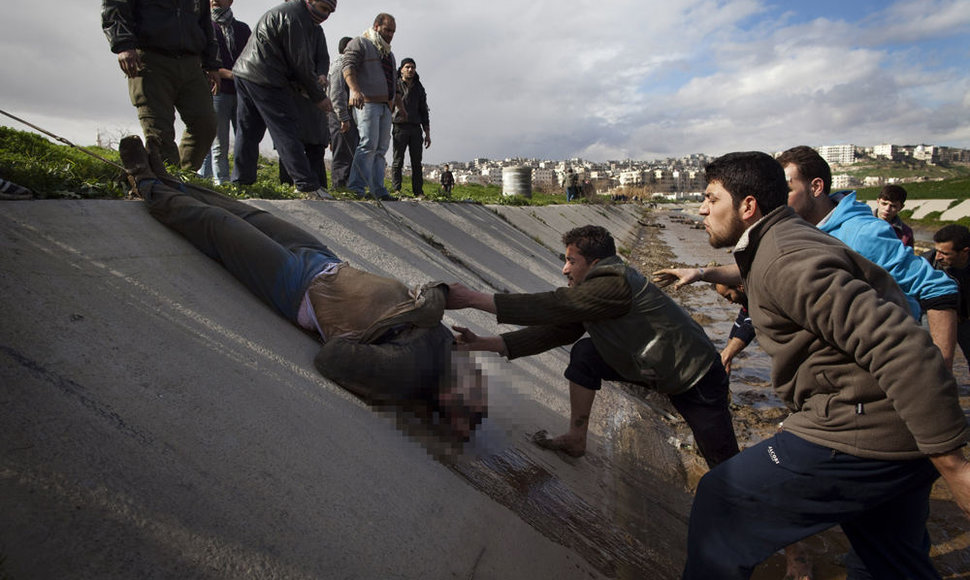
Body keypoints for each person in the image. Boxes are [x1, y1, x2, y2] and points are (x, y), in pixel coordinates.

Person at [679, 151, 970, 580]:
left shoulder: (785, 258)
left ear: (747, 206)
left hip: (864, 429)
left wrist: (955, 467)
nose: (701, 209)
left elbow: (901, 347)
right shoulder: (780, 245)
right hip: (894, 432)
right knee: (891, 564)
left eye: (710, 198)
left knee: (723, 499)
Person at [118, 134, 485, 440]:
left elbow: (333, 358)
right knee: (250, 213)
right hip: (327, 261)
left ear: (447, 404)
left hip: (298, 285)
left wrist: (417, 313)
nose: (470, 385)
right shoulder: (445, 349)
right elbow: (440, 290)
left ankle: (147, 184)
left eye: (464, 405)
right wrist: (429, 306)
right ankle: (171, 182)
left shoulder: (404, 375)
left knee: (218, 225)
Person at [446, 225, 739, 468]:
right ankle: (576, 438)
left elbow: (553, 305)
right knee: (586, 355)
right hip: (660, 368)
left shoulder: (613, 283)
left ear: (595, 263)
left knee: (724, 464)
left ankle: (759, 525)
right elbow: (553, 332)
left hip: (696, 376)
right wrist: (482, 343)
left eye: (571, 261)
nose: (564, 269)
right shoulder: (597, 291)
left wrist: (472, 298)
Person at [654, 145, 959, 369]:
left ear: (816, 187)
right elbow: (763, 269)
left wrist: (942, 368)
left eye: (785, 189)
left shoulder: (861, 232)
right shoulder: (798, 231)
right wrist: (702, 273)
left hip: (893, 361)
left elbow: (938, 288)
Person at [230, 0, 335, 200]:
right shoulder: (295, 17)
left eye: (330, 11)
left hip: (246, 72)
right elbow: (300, 62)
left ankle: (242, 182)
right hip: (266, 77)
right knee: (285, 128)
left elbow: (313, 60)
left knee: (249, 131)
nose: (325, 15)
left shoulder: (301, 19)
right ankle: (306, 185)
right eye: (323, 8)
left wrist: (314, 80)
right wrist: (319, 97)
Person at [102, 0, 220, 170]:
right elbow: (114, 7)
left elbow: (204, 22)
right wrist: (123, 45)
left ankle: (184, 178)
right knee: (159, 133)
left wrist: (212, 63)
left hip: (191, 62)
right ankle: (168, 181)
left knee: (206, 124)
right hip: (150, 59)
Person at [343, 13, 401, 201]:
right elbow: (348, 66)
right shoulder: (360, 43)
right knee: (367, 144)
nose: (390, 34)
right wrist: (354, 90)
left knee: (381, 149)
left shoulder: (388, 53)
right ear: (376, 26)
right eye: (387, 30)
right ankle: (356, 188)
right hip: (367, 102)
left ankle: (378, 189)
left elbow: (392, 79)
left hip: (384, 106)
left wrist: (392, 102)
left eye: (393, 31)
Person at [198, 0, 251, 185]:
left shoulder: (243, 30)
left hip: (241, 93)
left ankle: (240, 181)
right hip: (217, 90)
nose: (213, 1)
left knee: (243, 140)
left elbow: (251, 58)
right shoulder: (204, 26)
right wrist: (232, 74)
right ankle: (222, 182)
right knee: (218, 141)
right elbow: (201, 61)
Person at [925, 225, 970, 370]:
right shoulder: (927, 263)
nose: (938, 257)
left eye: (944, 253)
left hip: (965, 319)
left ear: (965, 252)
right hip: (934, 315)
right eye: (936, 250)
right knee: (936, 361)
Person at [390, 57, 431, 196]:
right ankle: (396, 190)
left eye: (413, 67)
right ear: (401, 69)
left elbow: (424, 111)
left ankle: (418, 191)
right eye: (407, 67)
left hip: (415, 128)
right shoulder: (395, 85)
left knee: (416, 163)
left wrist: (427, 133)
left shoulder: (419, 87)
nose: (410, 69)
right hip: (399, 126)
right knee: (397, 161)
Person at [327, 37, 358, 189]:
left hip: (344, 114)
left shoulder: (345, 66)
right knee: (342, 154)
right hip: (339, 115)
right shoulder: (340, 66)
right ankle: (339, 188)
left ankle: (346, 186)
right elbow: (337, 94)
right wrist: (343, 118)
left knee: (349, 152)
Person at [711, 283, 754, 374]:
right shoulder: (746, 298)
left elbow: (752, 323)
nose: (730, 302)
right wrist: (728, 359)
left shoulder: (757, 295)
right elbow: (741, 320)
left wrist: (726, 355)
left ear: (740, 286)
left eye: (729, 296)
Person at [875, 184, 915, 248]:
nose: (887, 209)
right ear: (878, 201)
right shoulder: (861, 221)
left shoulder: (906, 233)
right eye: (884, 204)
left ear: (901, 207)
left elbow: (907, 256)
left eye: (893, 206)